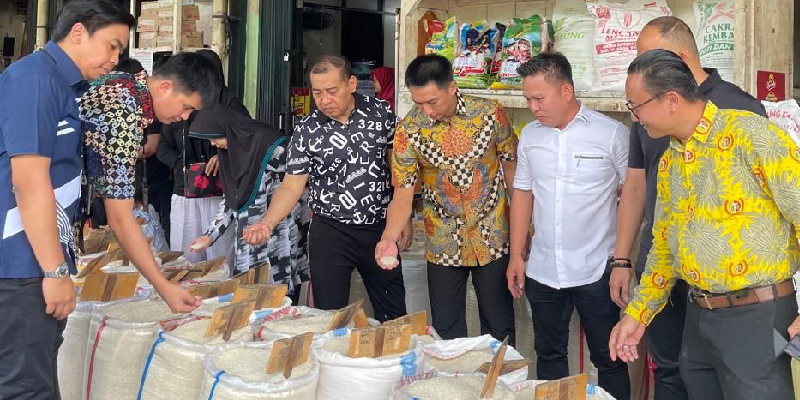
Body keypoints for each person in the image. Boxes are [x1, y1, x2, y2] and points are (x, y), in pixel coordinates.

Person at [610, 49, 800, 400]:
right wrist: (637, 314)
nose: (635, 118)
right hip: (699, 318)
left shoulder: (750, 135)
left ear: (670, 100)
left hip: (757, 317)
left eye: (636, 106)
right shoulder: (670, 160)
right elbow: (664, 248)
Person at [0, 1, 134, 398]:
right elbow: (29, 182)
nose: (115, 60)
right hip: (21, 264)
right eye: (111, 46)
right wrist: (55, 272)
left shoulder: (62, 86)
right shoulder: (35, 81)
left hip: (32, 262)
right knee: (26, 389)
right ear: (78, 32)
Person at [243, 55, 408, 322]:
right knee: (330, 316)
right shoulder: (306, 130)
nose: (324, 100)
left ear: (351, 84)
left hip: (379, 229)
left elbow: (400, 172)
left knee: (393, 311)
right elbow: (291, 185)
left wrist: (402, 221)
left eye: (332, 91)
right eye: (317, 93)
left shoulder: (381, 114)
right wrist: (268, 222)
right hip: (330, 231)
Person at [505, 53, 630, 399]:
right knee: (549, 356)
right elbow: (523, 194)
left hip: (597, 269)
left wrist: (622, 261)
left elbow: (634, 197)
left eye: (539, 98)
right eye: (527, 99)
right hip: (543, 270)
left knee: (609, 357)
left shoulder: (611, 134)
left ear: (566, 90)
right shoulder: (530, 136)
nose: (533, 107)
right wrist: (518, 256)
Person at [374, 54, 517, 344]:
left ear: (452, 87)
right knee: (447, 333)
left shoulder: (490, 114)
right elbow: (402, 194)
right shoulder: (409, 130)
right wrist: (388, 237)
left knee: (499, 328)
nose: (426, 111)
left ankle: (501, 386)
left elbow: (513, 170)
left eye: (432, 102)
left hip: (494, 237)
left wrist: (525, 227)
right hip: (442, 241)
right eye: (418, 103)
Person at [80, 52, 222, 312]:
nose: (185, 117)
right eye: (186, 107)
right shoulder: (124, 107)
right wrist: (163, 285)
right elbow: (120, 217)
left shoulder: (125, 86)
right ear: (165, 88)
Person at [187, 102, 311, 304]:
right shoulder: (232, 154)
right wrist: (210, 236)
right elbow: (232, 200)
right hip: (249, 242)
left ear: (229, 130)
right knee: (251, 298)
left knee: (280, 299)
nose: (213, 145)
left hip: (278, 239)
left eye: (215, 138)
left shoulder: (273, 149)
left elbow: (300, 185)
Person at [157, 50, 243, 265]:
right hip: (185, 190)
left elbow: (245, 140)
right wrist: (183, 166)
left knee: (220, 256)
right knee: (186, 253)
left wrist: (221, 156)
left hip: (218, 192)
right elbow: (162, 147)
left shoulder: (230, 106)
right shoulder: (178, 108)